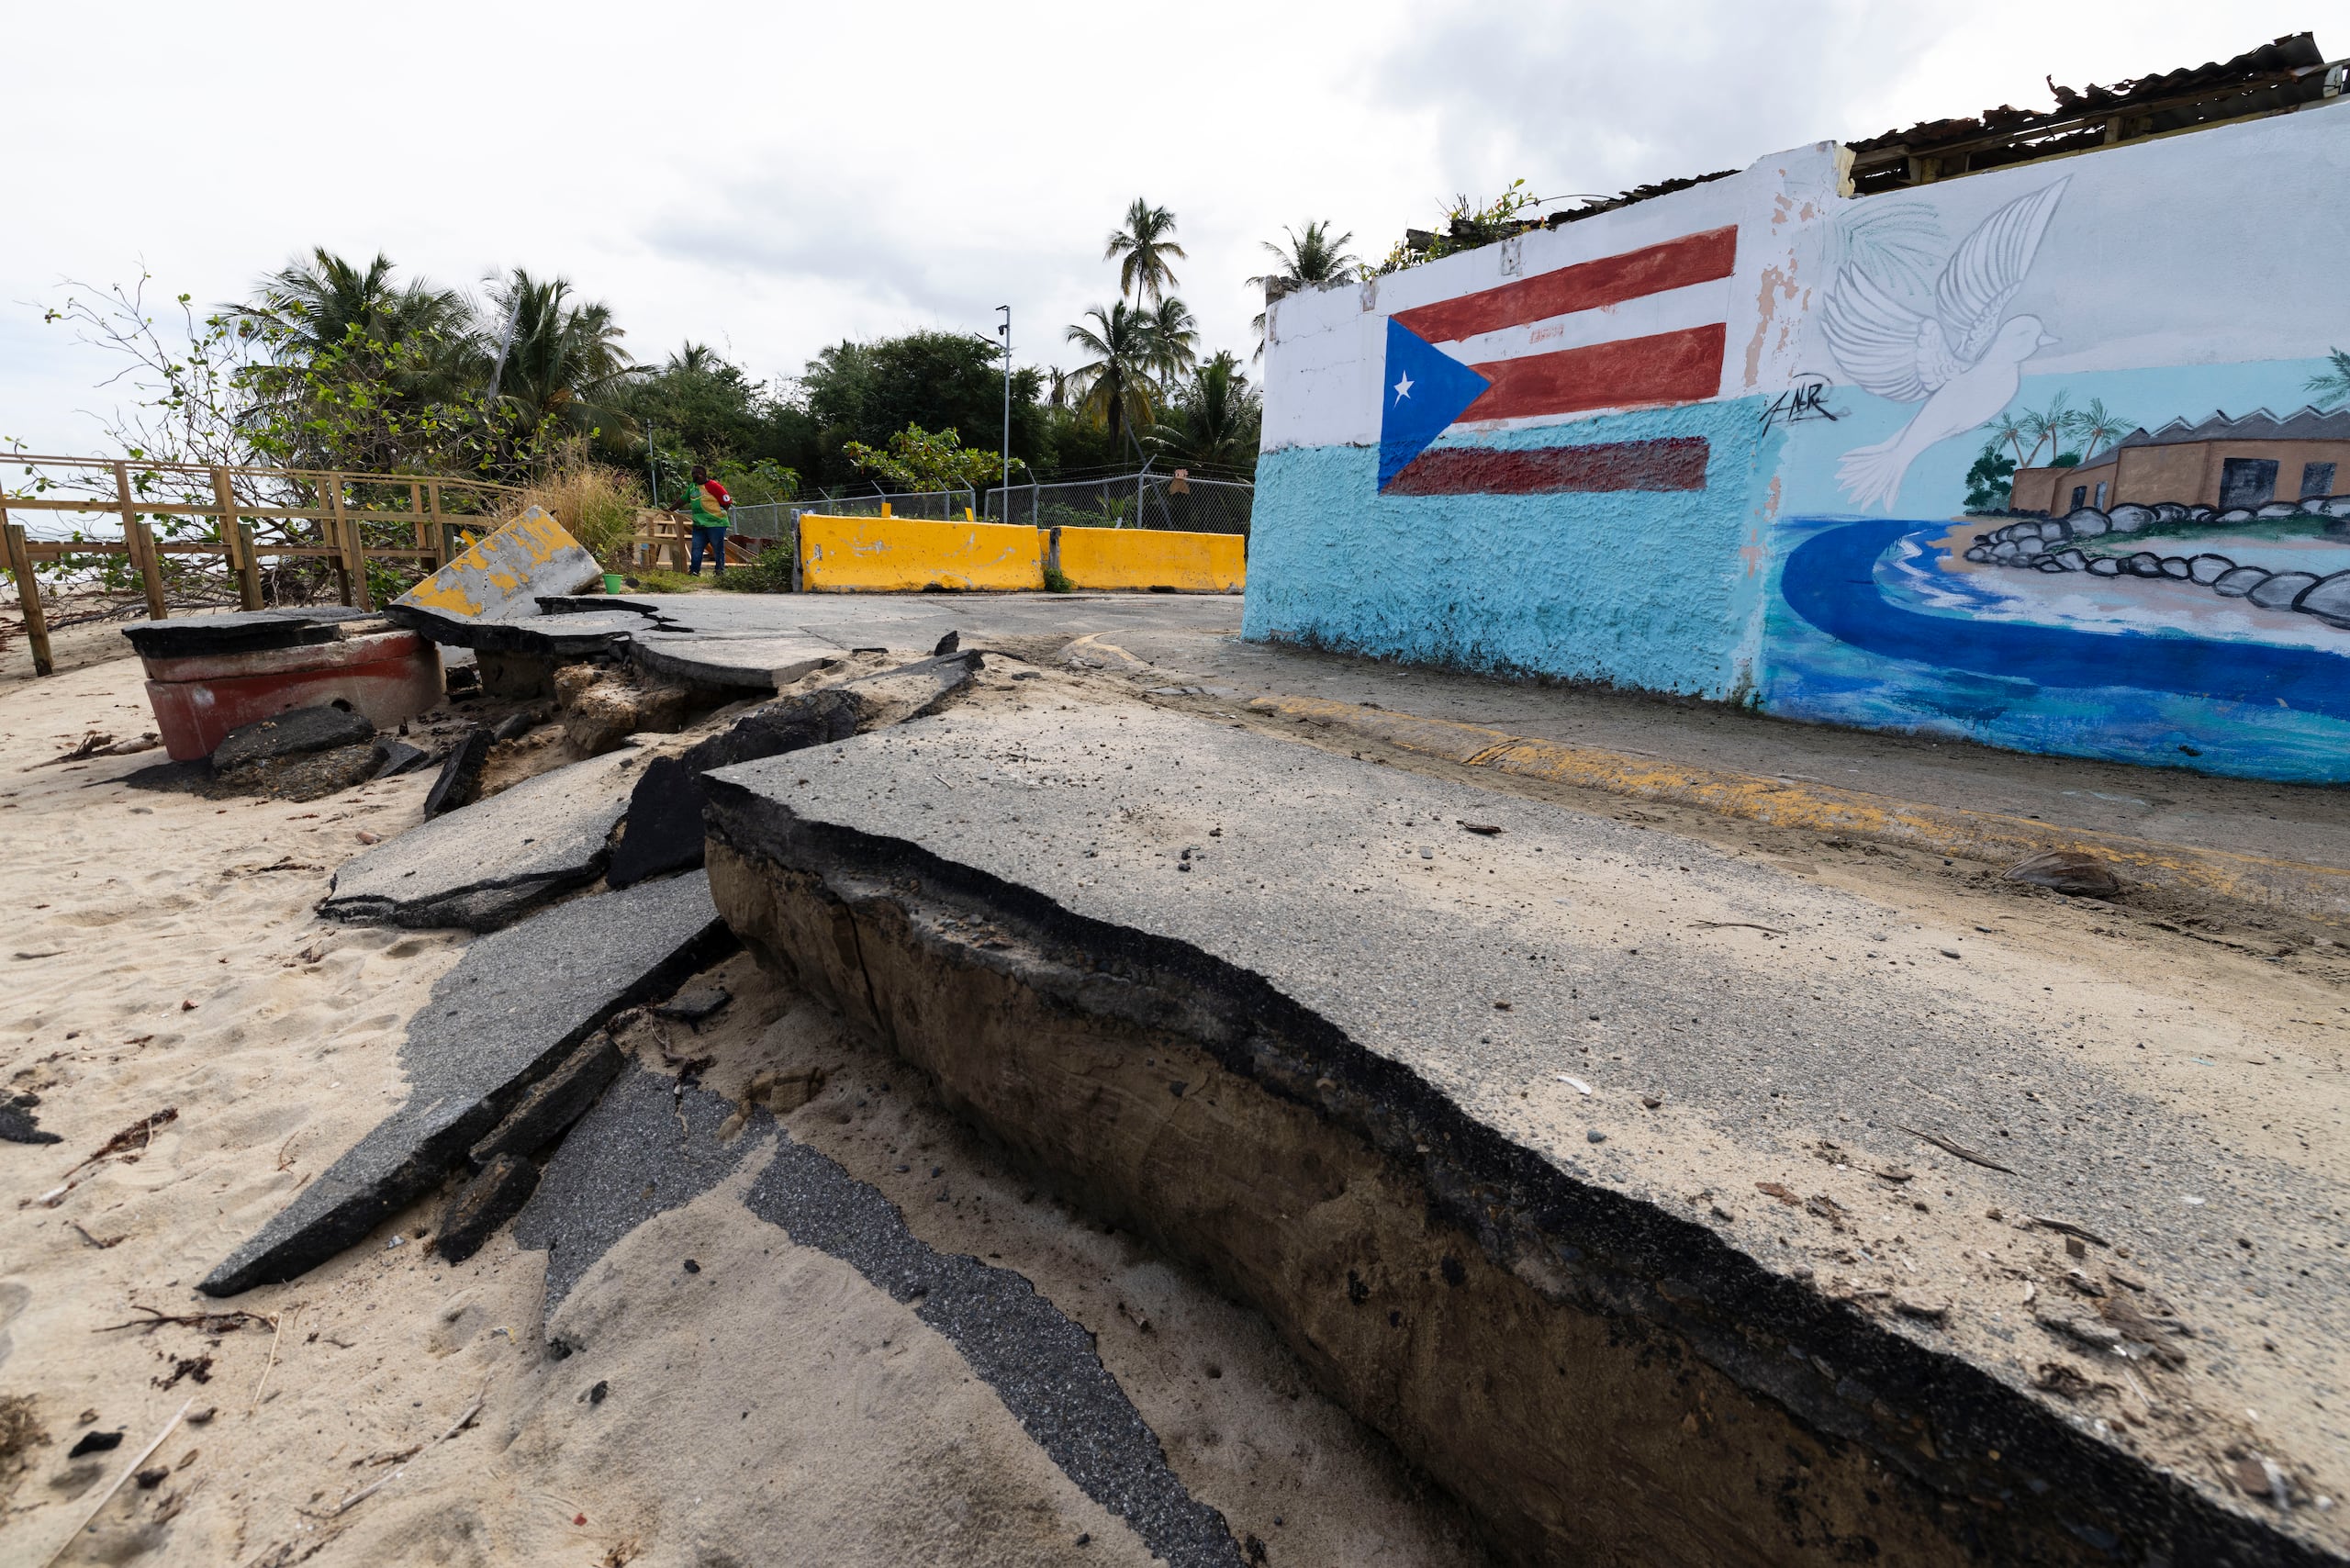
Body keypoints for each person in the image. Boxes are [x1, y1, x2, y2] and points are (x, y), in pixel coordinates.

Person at [683, 465, 732, 577]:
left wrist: (718, 514)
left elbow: (727, 501)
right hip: (699, 524)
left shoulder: (713, 486)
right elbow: (683, 499)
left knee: (717, 549)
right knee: (696, 548)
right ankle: (694, 571)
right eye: (692, 473)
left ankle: (720, 571)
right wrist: (670, 509)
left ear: (702, 475)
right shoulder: (692, 487)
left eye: (695, 473)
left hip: (715, 524)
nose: (693, 476)